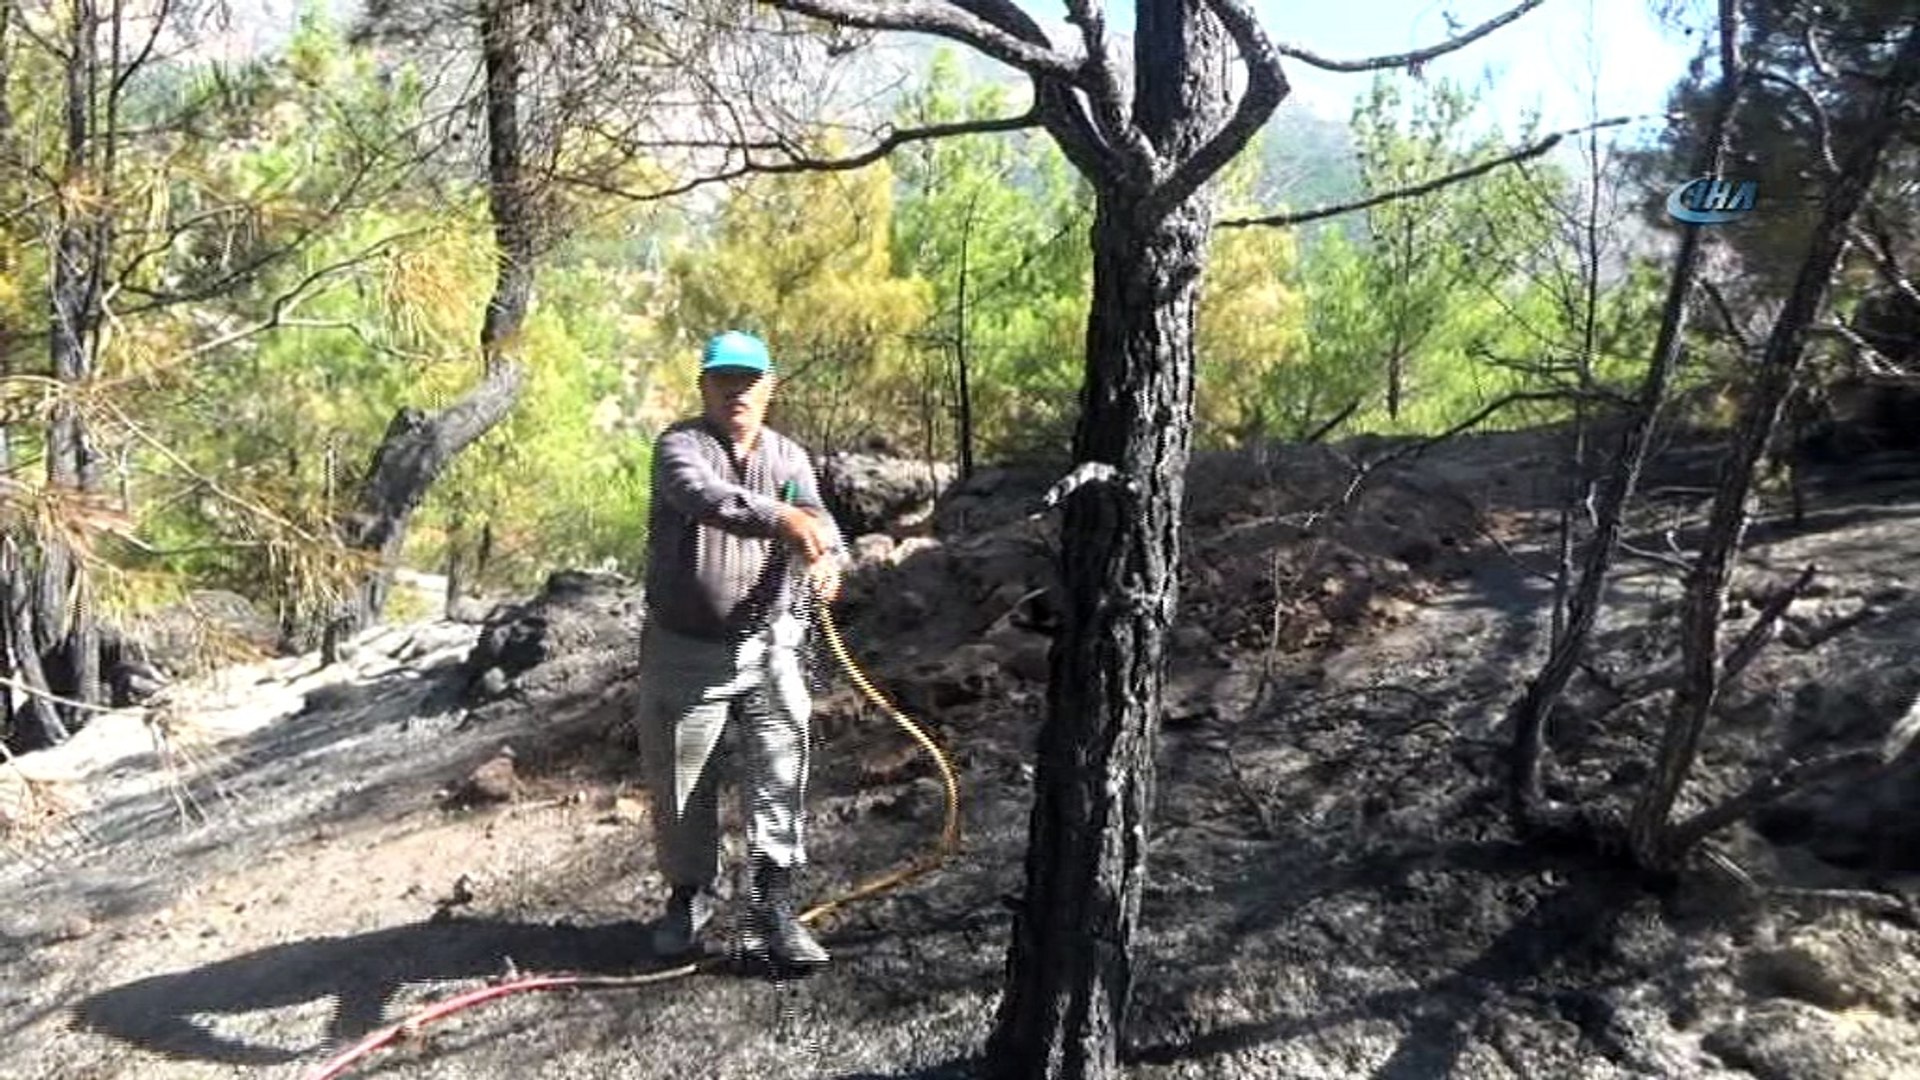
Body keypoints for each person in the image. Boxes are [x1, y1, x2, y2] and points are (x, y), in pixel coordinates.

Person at [633, 329, 846, 973]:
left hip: (770, 643)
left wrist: (829, 557)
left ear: (770, 388)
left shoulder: (788, 456)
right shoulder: (680, 446)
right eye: (723, 378)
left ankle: (772, 904)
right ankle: (690, 895)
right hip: (684, 650)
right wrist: (783, 520)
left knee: (782, 766)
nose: (736, 391)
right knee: (681, 784)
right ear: (703, 386)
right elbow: (699, 496)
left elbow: (820, 520)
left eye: (749, 380)